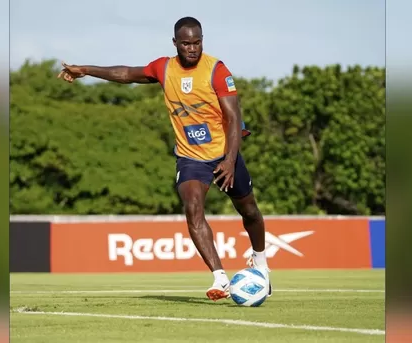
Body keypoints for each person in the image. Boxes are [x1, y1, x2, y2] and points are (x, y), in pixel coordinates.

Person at [57, 16, 271, 302]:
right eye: (186, 43)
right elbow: (125, 73)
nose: (192, 49)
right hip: (190, 157)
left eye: (197, 43)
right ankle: (220, 277)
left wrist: (230, 161)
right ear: (175, 43)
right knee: (192, 206)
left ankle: (261, 263)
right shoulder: (164, 68)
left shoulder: (217, 71)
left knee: (250, 212)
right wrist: (85, 69)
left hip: (224, 153)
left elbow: (233, 119)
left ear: (202, 42)